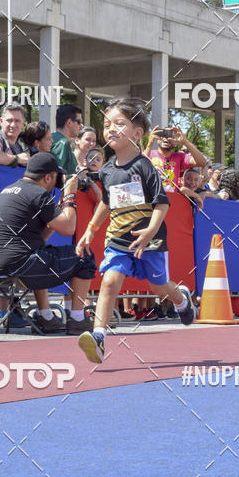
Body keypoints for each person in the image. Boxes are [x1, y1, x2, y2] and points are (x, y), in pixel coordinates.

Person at [75, 97, 195, 364]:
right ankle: (98, 336)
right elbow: (107, 202)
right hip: (118, 239)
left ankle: (181, 300)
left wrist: (150, 231)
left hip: (150, 240)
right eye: (107, 124)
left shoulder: (144, 166)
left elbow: (162, 203)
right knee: (109, 282)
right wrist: (91, 229)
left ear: (138, 133)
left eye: (119, 123)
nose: (111, 129)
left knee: (159, 287)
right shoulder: (106, 170)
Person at [0, 152, 96, 335]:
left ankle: (46, 316)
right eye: (56, 178)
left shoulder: (11, 189)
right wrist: (69, 195)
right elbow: (69, 228)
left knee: (40, 253)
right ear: (48, 177)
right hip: (19, 267)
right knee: (85, 256)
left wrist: (54, 215)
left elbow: (40, 239)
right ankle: (78, 319)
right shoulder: (37, 193)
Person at [144, 124, 207, 190]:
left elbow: (202, 163)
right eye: (163, 135)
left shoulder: (180, 157)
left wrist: (186, 142)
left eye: (170, 136)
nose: (166, 138)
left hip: (171, 195)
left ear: (176, 143)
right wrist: (149, 144)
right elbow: (141, 168)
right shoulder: (149, 153)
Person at [0, 103, 29, 168]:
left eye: (17, 121)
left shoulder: (21, 145)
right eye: (9, 120)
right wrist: (18, 159)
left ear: (23, 123)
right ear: (1, 121)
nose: (13, 125)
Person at [51, 103, 83, 175]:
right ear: (69, 122)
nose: (81, 126)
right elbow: (56, 176)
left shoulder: (53, 138)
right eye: (79, 122)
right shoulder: (63, 143)